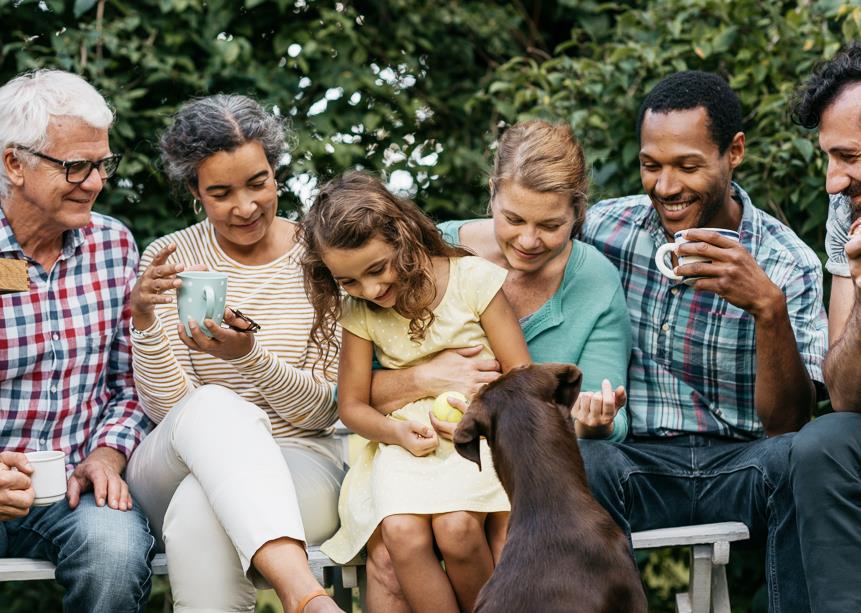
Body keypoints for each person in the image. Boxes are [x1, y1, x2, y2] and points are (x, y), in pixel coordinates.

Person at [578, 70, 828, 612]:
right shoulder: (603, 228)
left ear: (733, 152)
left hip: (741, 465)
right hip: (633, 463)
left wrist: (768, 308)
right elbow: (519, 232)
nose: (666, 187)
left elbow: (788, 425)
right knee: (579, 458)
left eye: (687, 166)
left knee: (807, 457)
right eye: (652, 166)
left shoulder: (789, 262)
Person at [361, 119, 633, 612]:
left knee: (494, 538)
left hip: (526, 472)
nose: (528, 240)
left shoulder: (595, 279)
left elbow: (609, 419)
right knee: (390, 553)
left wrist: (594, 418)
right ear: (491, 195)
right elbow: (356, 388)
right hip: (418, 447)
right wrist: (427, 375)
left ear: (578, 213)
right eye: (513, 219)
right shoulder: (432, 251)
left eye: (550, 225)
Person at [123, 95, 344, 613]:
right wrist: (145, 320)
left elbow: (321, 411)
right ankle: (306, 595)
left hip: (304, 459)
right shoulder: (171, 258)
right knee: (216, 407)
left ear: (275, 171)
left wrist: (248, 357)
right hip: (173, 463)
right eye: (220, 193)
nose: (244, 207)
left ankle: (303, 597)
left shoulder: (323, 256)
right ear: (194, 192)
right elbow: (167, 412)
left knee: (201, 511)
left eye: (258, 183)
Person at [301, 171, 532, 613]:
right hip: (406, 443)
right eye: (348, 281)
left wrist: (477, 417)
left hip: (476, 436)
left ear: (403, 237)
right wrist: (396, 433)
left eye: (377, 269)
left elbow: (522, 375)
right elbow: (351, 406)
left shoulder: (472, 281)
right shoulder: (360, 311)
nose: (370, 290)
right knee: (403, 535)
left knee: (458, 528)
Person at [0, 69, 154, 612]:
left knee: (114, 555)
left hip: (72, 487)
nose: (94, 181)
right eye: (74, 166)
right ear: (13, 164)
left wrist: (109, 455)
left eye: (102, 164)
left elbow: (130, 380)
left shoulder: (112, 245)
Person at [789, 42, 861, 613]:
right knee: (822, 443)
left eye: (851, 158)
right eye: (829, 158)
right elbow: (842, 392)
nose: (834, 182)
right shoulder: (847, 214)